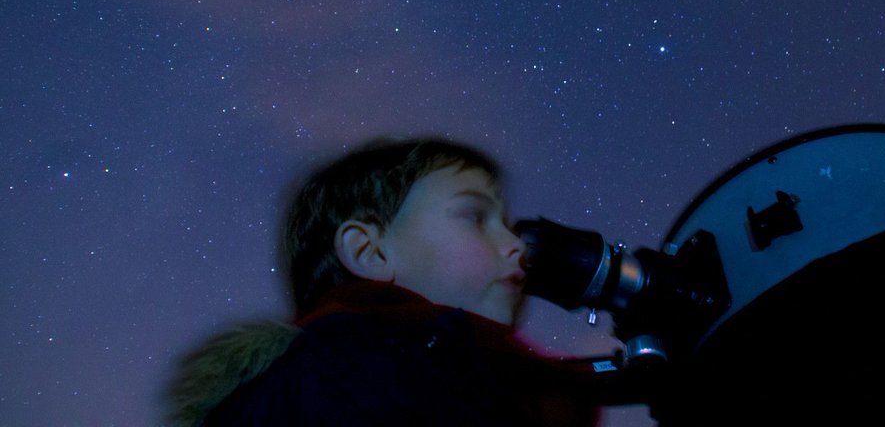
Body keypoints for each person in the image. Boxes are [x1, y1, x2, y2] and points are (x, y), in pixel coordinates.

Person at [164, 138, 598, 427]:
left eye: (505, 223)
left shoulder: (433, 374)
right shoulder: (345, 377)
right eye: (475, 217)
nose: (516, 245)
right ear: (370, 252)